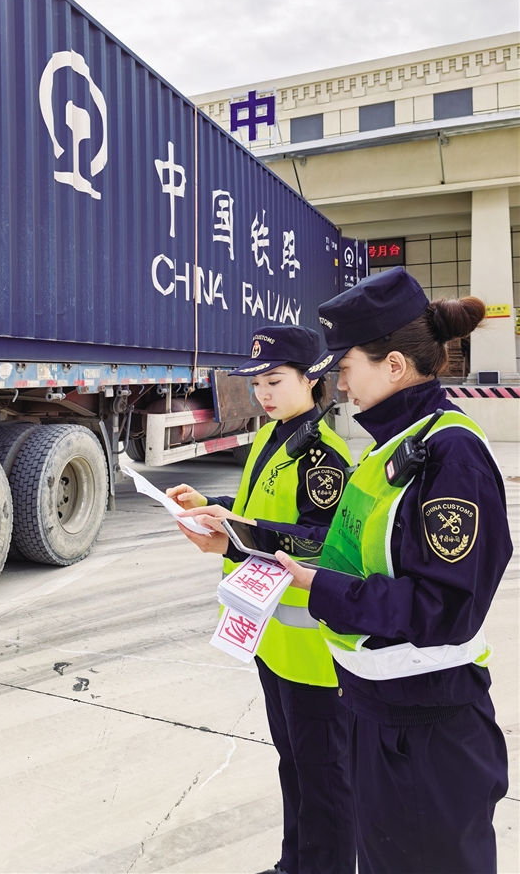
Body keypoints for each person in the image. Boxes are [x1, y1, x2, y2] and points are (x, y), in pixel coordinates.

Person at [274, 267, 511, 874]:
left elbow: (446, 607)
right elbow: (344, 544)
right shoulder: (391, 445)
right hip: (374, 710)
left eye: (346, 366)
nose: (340, 383)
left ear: (396, 366)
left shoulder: (452, 454)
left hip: (427, 730)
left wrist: (322, 590)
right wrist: (240, 536)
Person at [168, 325, 357, 874]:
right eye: (257, 383)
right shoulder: (274, 436)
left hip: (313, 656)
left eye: (275, 381)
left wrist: (233, 536)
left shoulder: (322, 455)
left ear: (311, 379)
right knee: (293, 764)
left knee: (324, 780)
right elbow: (261, 509)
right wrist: (211, 504)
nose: (263, 393)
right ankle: (293, 864)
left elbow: (319, 542)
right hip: (273, 641)